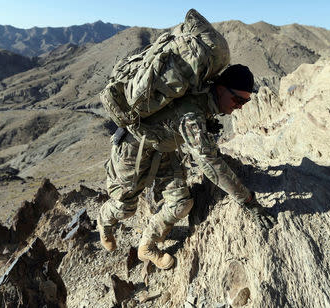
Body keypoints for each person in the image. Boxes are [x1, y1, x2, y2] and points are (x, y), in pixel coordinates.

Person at [97, 13, 276, 271]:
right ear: (222, 88)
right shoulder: (193, 114)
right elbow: (210, 165)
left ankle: (147, 246)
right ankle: (104, 221)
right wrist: (248, 201)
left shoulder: (204, 98)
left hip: (164, 149)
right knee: (124, 207)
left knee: (182, 203)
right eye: (238, 100)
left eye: (245, 103)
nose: (239, 108)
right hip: (133, 148)